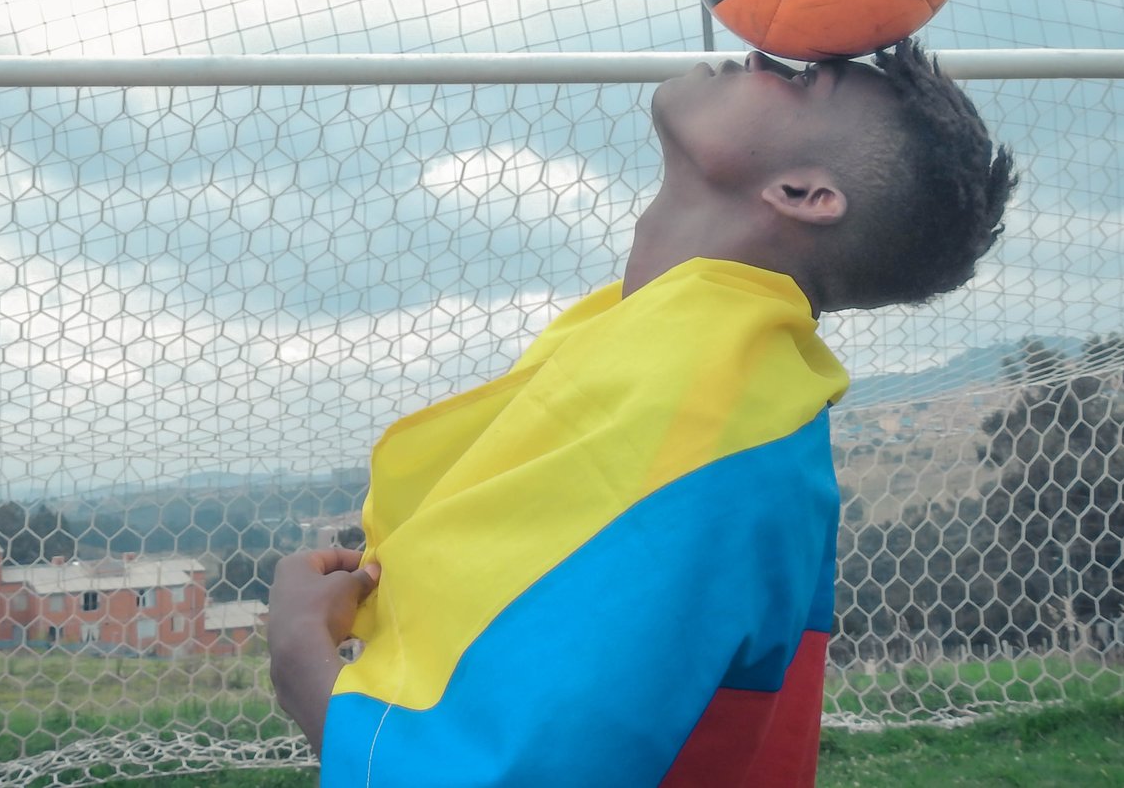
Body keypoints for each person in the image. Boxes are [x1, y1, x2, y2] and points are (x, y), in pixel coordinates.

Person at [269, 40, 1016, 786]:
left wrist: (301, 654)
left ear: (802, 192)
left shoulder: (710, 434)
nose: (758, 52)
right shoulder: (665, 358)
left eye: (798, 80)